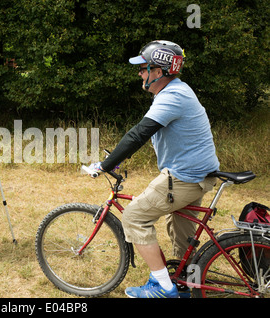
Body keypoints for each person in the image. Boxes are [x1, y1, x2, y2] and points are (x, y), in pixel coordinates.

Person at [90, 40, 219, 298]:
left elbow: (139, 134)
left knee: (135, 216)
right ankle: (185, 281)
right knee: (181, 226)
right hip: (199, 174)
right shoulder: (177, 91)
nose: (139, 73)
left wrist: (105, 164)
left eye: (143, 68)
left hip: (185, 177)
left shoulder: (172, 96)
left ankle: (163, 287)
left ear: (158, 72)